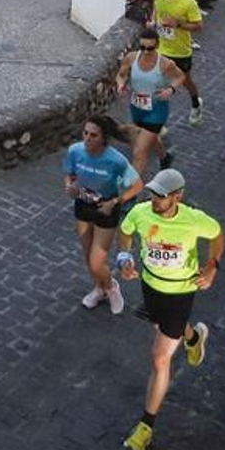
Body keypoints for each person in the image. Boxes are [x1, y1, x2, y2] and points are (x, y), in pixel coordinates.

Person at [116, 168, 225, 450]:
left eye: (161, 197)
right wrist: (124, 257)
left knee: (159, 357)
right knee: (164, 328)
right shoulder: (140, 212)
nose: (154, 200)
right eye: (153, 193)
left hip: (180, 292)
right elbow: (125, 233)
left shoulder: (193, 220)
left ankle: (145, 427)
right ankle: (193, 338)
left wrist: (212, 266)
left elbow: (218, 235)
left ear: (178, 196)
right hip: (150, 287)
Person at [63, 114, 144, 315]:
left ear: (104, 139)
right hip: (83, 206)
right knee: (87, 254)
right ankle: (99, 289)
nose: (87, 139)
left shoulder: (116, 160)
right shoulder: (75, 151)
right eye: (85, 133)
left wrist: (115, 202)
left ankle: (111, 287)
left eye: (93, 135)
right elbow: (70, 174)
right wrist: (69, 186)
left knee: (96, 261)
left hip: (106, 210)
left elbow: (137, 185)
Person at [116, 26, 188, 177]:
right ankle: (165, 157)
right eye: (143, 47)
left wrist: (170, 90)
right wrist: (121, 84)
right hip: (137, 108)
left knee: (139, 151)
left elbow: (180, 76)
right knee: (152, 137)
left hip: (156, 110)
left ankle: (132, 190)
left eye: (150, 48)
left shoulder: (165, 64)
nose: (146, 51)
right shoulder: (131, 58)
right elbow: (120, 75)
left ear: (157, 45)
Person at [151, 0, 204, 126]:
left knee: (187, 82)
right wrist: (154, 22)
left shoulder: (189, 3)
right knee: (157, 84)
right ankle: (158, 122)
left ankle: (196, 102)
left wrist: (179, 24)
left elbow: (199, 26)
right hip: (162, 49)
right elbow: (156, 11)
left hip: (181, 52)